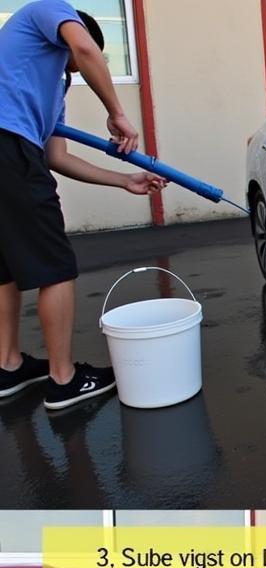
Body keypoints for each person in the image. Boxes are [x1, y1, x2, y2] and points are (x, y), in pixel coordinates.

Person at [0, 1, 167, 410]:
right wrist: (118, 114)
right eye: (72, 63)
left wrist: (124, 180)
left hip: (11, 151)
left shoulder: (48, 86)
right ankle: (64, 380)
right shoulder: (46, 8)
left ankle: (7, 365)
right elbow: (87, 51)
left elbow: (57, 157)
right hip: (7, 147)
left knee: (3, 266)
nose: (72, 70)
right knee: (56, 267)